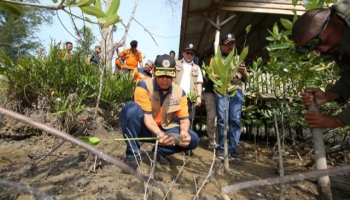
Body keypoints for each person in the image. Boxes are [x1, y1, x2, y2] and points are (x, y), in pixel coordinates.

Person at [120, 54, 200, 170]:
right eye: (161, 75)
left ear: (174, 75)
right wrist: (159, 134)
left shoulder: (180, 93)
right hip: (145, 129)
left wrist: (183, 132)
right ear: (154, 72)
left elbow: (184, 119)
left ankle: (160, 151)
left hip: (166, 130)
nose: (164, 79)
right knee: (130, 109)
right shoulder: (143, 86)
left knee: (193, 139)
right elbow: (147, 117)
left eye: (168, 76)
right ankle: (132, 156)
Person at [292, 0, 350, 128]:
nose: (323, 50)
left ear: (336, 20)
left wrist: (337, 120)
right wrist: (327, 96)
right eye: (316, 48)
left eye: (324, 41)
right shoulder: (339, 40)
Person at [215, 33, 248, 160]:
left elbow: (246, 78)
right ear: (222, 46)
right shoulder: (217, 59)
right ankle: (222, 148)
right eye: (227, 44)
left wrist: (243, 72)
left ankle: (233, 150)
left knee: (235, 120)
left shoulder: (239, 58)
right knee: (222, 119)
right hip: (222, 90)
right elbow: (212, 76)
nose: (230, 46)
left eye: (232, 44)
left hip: (237, 91)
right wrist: (225, 74)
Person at [174, 44, 203, 123]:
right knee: (175, 120)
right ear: (183, 53)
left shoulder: (197, 68)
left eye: (192, 54)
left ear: (194, 55)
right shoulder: (176, 64)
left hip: (190, 99)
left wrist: (199, 97)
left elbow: (199, 83)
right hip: (176, 97)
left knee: (188, 121)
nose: (189, 55)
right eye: (187, 53)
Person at [203, 52, 219, 149]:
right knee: (211, 116)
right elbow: (210, 76)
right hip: (210, 92)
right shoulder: (210, 62)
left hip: (221, 92)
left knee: (221, 118)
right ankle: (212, 140)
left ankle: (219, 140)